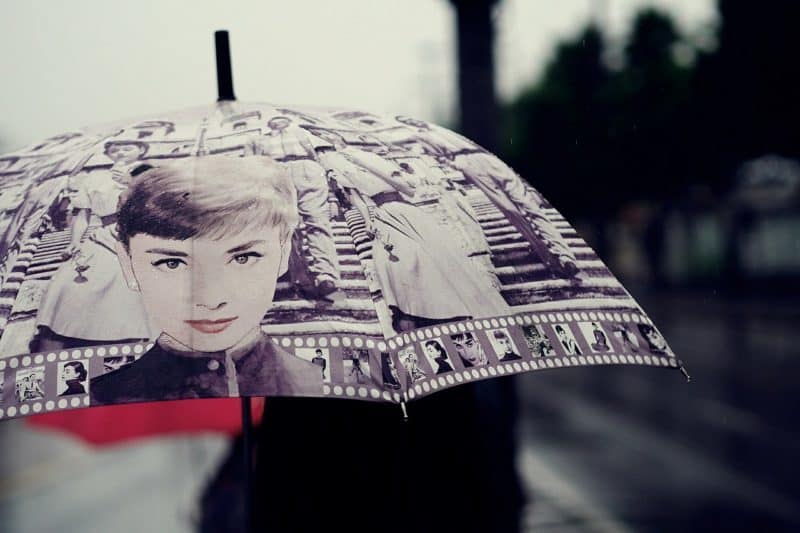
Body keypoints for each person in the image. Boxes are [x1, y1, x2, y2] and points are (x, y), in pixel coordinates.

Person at [89, 156, 323, 405]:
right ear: (128, 265)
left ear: (283, 253)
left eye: (243, 258)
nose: (211, 299)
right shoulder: (104, 396)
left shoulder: (315, 383)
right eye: (172, 263)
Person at [311, 128, 510, 333]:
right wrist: (369, 220)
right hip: (382, 215)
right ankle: (414, 313)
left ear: (335, 143)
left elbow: (406, 187)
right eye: (320, 152)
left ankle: (450, 310)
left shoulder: (363, 157)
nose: (324, 155)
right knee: (387, 264)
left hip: (405, 211)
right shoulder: (335, 173)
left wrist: (361, 163)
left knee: (428, 260)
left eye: (325, 149)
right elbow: (356, 199)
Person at [392, 115, 580, 279]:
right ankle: (550, 257)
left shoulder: (447, 130)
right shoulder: (419, 138)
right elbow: (426, 156)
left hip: (487, 157)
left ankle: (565, 255)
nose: (409, 122)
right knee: (510, 209)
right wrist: (454, 164)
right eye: (405, 122)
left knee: (529, 205)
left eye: (409, 119)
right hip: (467, 162)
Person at [34, 139, 155, 351]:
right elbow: (83, 214)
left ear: (141, 150)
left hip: (139, 232)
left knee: (130, 288)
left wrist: (132, 184)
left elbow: (160, 206)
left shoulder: (152, 173)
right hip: (103, 235)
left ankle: (133, 348)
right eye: (115, 149)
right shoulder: (95, 178)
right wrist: (74, 243)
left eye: (127, 147)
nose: (121, 152)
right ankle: (50, 354)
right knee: (66, 285)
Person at [257, 116, 339, 298]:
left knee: (317, 221)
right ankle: (298, 276)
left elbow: (325, 159)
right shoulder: (257, 138)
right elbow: (251, 165)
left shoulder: (304, 131)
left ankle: (326, 275)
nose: (277, 116)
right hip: (274, 171)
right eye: (271, 114)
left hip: (308, 170)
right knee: (285, 226)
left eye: (280, 113)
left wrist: (333, 196)